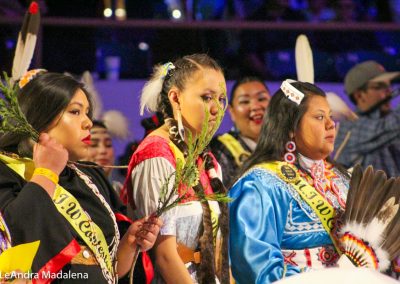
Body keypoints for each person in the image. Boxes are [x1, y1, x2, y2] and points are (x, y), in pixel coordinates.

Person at [0, 71, 161, 283]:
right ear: (39, 118)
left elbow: (107, 272)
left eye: (87, 113)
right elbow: (16, 234)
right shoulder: (6, 171)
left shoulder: (91, 175)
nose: (88, 123)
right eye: (75, 112)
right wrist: (46, 173)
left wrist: (129, 245)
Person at [229, 80, 350, 283]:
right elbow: (257, 269)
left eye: (330, 116)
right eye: (319, 117)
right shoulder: (260, 185)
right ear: (291, 127)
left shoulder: (341, 178)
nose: (331, 124)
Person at [124, 54, 230, 283]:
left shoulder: (207, 159)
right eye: (207, 97)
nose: (216, 109)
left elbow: (219, 249)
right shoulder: (156, 155)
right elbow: (164, 256)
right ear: (176, 98)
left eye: (221, 99)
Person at [334, 60, 400, 177]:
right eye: (380, 86)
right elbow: (387, 127)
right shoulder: (349, 126)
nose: (389, 92)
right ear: (359, 95)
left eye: (389, 86)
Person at [210, 76, 271, 188]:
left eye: (261, 99)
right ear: (232, 111)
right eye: (245, 101)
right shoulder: (219, 150)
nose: (255, 106)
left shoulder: (288, 148)